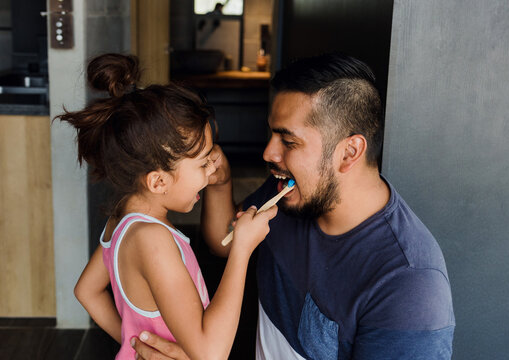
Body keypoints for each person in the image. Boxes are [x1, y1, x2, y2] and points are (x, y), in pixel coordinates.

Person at [132, 53, 455, 359]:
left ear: (349, 152)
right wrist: (221, 184)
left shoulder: (409, 286)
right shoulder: (289, 194)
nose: (269, 153)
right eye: (272, 136)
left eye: (288, 142)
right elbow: (225, 243)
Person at [60, 53, 277, 360]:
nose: (212, 172)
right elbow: (210, 353)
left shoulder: (122, 220)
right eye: (203, 164)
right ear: (158, 182)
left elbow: (86, 290)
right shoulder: (154, 241)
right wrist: (242, 249)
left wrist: (132, 342)